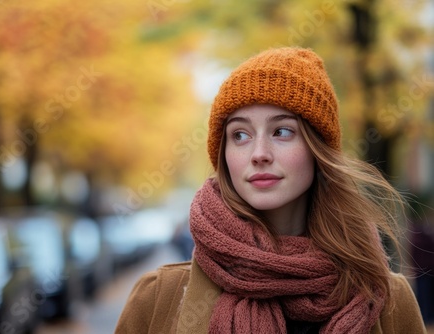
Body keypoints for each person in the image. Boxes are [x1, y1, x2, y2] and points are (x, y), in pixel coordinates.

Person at [115, 47, 426, 333]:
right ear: (224, 155)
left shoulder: (388, 301)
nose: (258, 153)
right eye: (240, 135)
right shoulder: (158, 298)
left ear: (317, 149)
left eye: (281, 131)